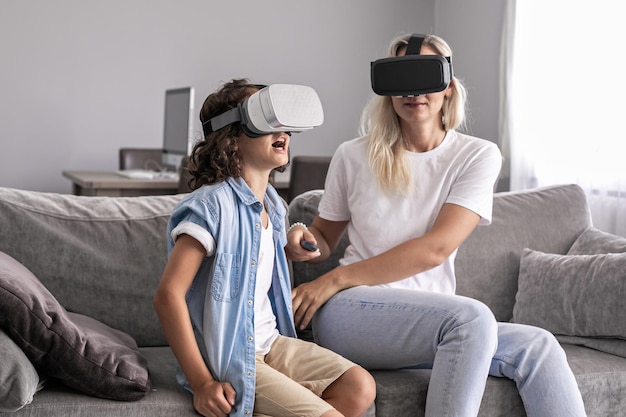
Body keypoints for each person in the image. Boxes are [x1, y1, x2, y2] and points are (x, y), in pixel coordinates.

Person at [286, 34, 587, 417]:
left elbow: (437, 248)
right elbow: (324, 237)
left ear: (448, 86)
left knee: (539, 346)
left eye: (426, 77)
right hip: (351, 313)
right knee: (470, 318)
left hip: (435, 320)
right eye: (401, 78)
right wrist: (301, 237)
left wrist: (332, 279)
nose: (413, 91)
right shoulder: (353, 155)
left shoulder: (476, 156)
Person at [153, 79, 375, 417]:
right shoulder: (212, 207)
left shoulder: (273, 203)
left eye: (283, 121)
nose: (281, 130)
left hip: (271, 343)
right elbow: (168, 296)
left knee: (359, 387)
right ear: (230, 136)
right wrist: (202, 384)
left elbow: (251, 257)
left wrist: (292, 239)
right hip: (232, 356)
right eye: (264, 119)